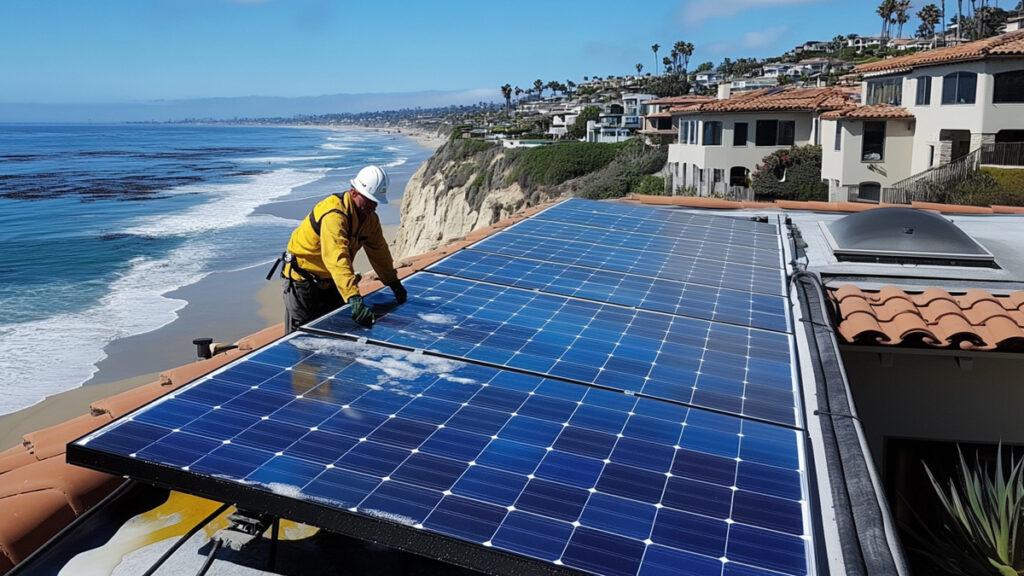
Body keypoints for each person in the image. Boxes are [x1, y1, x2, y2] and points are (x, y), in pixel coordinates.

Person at [269, 165, 407, 333]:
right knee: (303, 338)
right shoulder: (334, 215)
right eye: (369, 199)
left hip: (332, 280)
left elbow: (379, 252)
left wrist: (393, 282)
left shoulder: (370, 220)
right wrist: (354, 297)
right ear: (354, 193)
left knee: (338, 330)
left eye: (375, 201)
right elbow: (337, 258)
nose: (373, 205)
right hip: (303, 282)